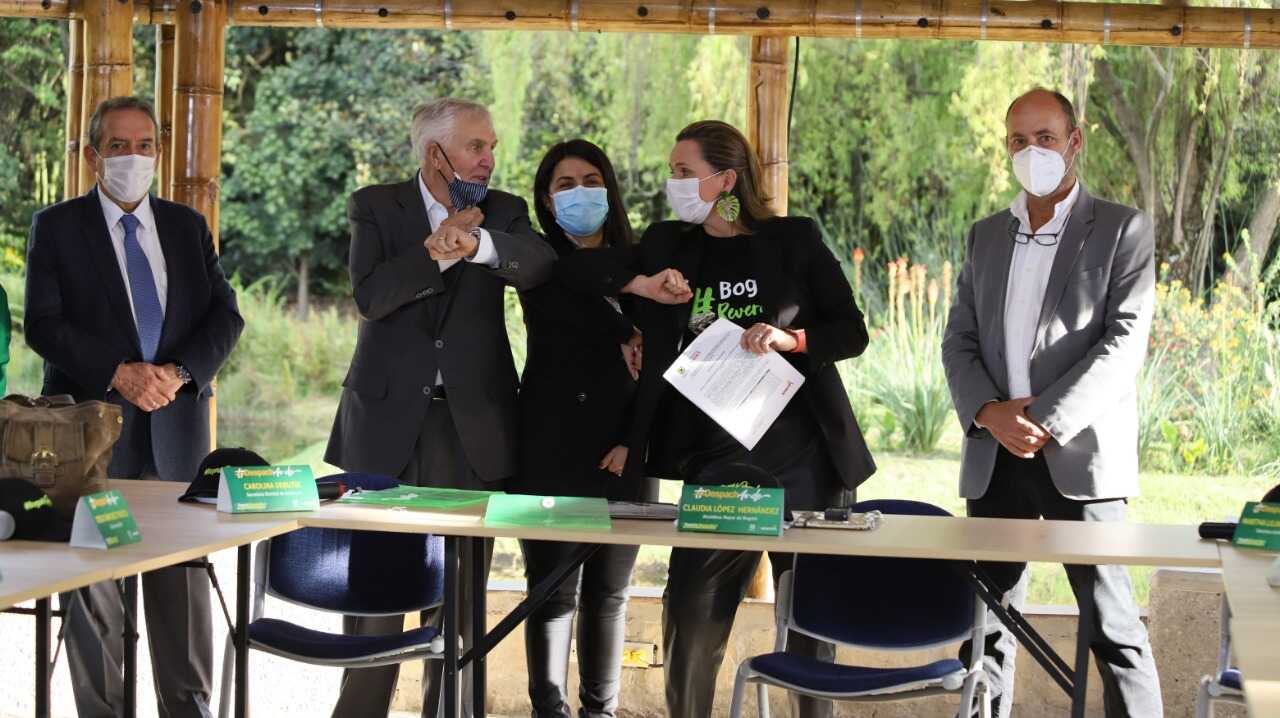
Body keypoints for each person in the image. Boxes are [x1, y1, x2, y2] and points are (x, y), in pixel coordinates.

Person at [556, 120, 876, 717]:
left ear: (726, 179)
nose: (673, 181)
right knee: (691, 616)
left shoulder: (793, 240)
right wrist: (643, 285)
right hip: (716, 462)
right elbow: (575, 272)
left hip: (803, 457)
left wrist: (790, 339)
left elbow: (851, 332)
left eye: (685, 171)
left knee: (810, 628)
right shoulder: (667, 244)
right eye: (672, 171)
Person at [324, 97, 556, 718]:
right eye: (476, 146)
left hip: (471, 427)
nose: (489, 158)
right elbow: (371, 297)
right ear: (435, 153)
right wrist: (434, 252)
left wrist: (478, 244)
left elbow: (538, 266)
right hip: (383, 428)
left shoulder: (504, 210)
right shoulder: (375, 206)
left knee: (460, 608)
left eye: (491, 146)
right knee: (374, 603)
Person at [941, 87, 1162, 717]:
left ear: (1074, 142)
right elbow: (958, 340)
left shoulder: (1122, 228)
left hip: (1078, 457)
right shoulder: (986, 235)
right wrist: (990, 414)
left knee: (1113, 627)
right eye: (1019, 140)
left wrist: (1041, 418)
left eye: (1044, 138)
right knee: (986, 627)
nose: (1031, 151)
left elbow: (1125, 342)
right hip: (995, 456)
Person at [25, 95, 244, 718]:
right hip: (92, 439)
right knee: (94, 584)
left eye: (144, 145)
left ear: (158, 152)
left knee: (182, 583)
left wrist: (178, 373)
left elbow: (225, 316)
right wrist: (118, 372)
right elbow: (43, 324)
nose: (132, 156)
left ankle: (188, 708)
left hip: (177, 435)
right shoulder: (57, 226)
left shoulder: (186, 226)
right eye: (117, 145)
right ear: (93, 156)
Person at [510, 139, 653, 718]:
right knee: (550, 590)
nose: (580, 193)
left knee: (609, 593)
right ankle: (549, 709)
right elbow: (567, 288)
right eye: (564, 184)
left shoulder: (643, 261)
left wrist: (633, 441)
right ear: (547, 200)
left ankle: (601, 710)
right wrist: (626, 329)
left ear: (609, 190)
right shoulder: (537, 260)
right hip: (550, 448)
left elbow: (661, 364)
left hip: (626, 447)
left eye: (591, 180)